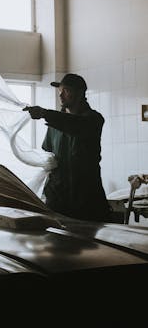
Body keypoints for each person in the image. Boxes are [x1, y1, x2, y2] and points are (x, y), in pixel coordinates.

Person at [23, 73, 111, 222]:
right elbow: (48, 152)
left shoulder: (94, 120)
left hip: (86, 199)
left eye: (66, 91)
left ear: (80, 93)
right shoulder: (55, 125)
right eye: (60, 92)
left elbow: (76, 125)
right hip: (58, 198)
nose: (61, 95)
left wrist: (45, 113)